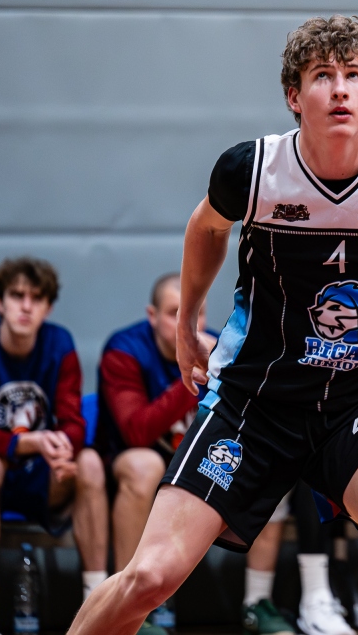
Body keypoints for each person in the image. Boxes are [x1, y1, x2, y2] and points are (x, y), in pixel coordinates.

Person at [67, 15, 358, 635]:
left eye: (354, 76)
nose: (340, 89)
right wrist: (187, 325)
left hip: (356, 401)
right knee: (151, 577)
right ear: (295, 96)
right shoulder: (252, 169)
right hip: (255, 403)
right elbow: (205, 228)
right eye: (322, 76)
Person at [96, 272, 299, 635]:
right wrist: (190, 372)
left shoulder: (222, 346)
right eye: (174, 313)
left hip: (195, 461)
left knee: (267, 460)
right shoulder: (123, 350)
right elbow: (136, 432)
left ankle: (256, 602)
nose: (189, 322)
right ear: (152, 315)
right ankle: (125, 603)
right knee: (144, 465)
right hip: (134, 463)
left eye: (197, 313)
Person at [0, 257, 108, 635]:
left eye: (36, 298)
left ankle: (98, 604)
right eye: (17, 295)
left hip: (41, 474)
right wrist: (33, 441)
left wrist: (62, 447)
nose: (26, 306)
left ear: (48, 307)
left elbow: (73, 422)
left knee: (89, 461)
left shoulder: (59, 343)